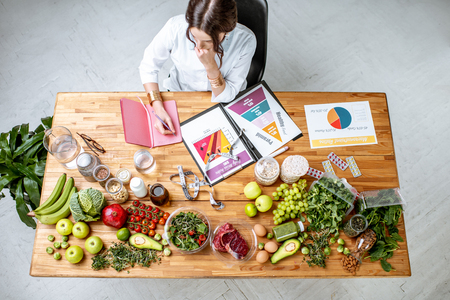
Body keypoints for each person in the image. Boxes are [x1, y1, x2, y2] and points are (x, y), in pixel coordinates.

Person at [139, 0, 257, 135]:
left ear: (227, 29)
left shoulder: (246, 40)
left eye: (208, 41)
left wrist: (210, 65)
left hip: (224, 99)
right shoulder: (175, 27)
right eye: (193, 36)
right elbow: (148, 66)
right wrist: (158, 107)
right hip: (181, 91)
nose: (199, 46)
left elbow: (227, 95)